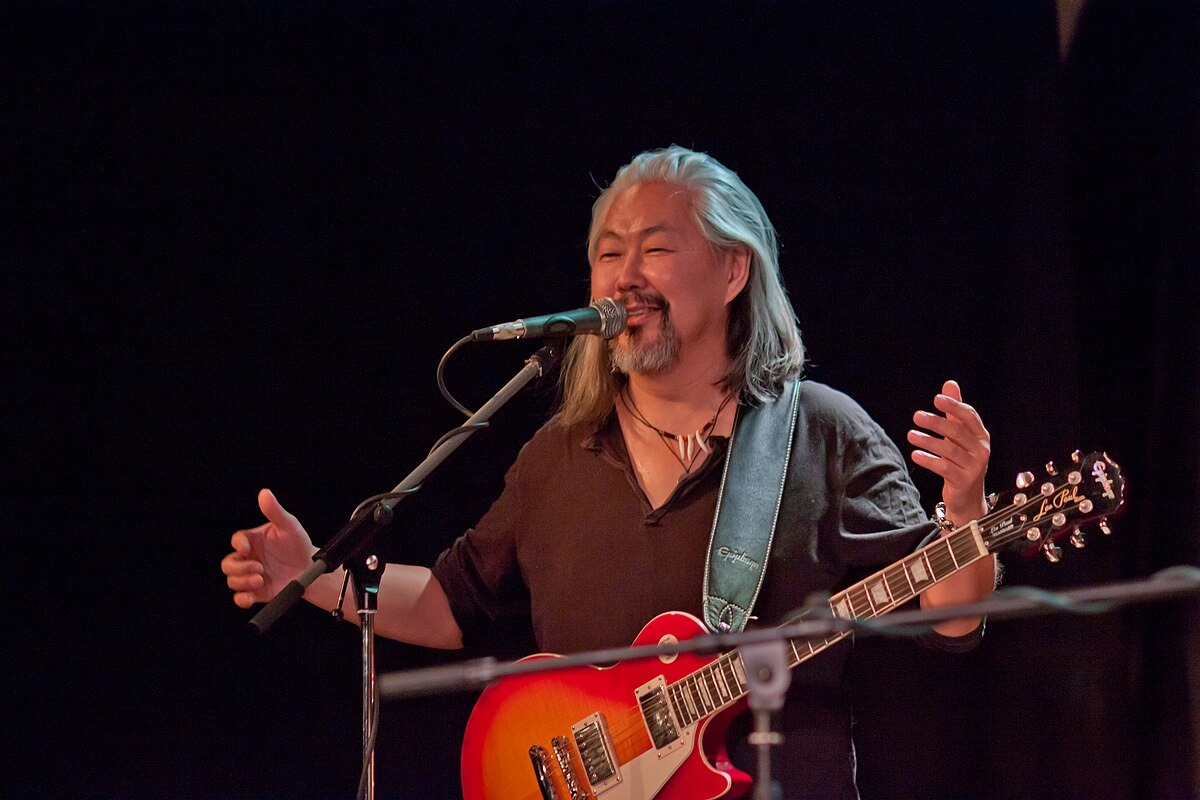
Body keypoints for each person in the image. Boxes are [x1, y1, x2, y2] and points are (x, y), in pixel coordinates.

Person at [222, 145, 996, 798]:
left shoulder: (820, 432)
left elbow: (949, 615)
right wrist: (312, 576)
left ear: (733, 270)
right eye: (607, 253)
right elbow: (451, 604)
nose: (624, 276)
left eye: (655, 249)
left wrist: (965, 508)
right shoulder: (558, 454)